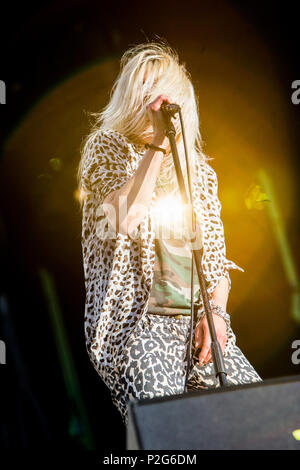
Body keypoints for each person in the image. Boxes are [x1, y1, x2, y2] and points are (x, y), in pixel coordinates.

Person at [78, 41, 261, 426]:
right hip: (139, 328)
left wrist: (217, 316)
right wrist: (160, 143)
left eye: (157, 90)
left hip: (197, 326)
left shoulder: (199, 173)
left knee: (260, 422)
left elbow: (216, 265)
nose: (150, 100)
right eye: (141, 89)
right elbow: (124, 217)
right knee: (172, 431)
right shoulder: (106, 146)